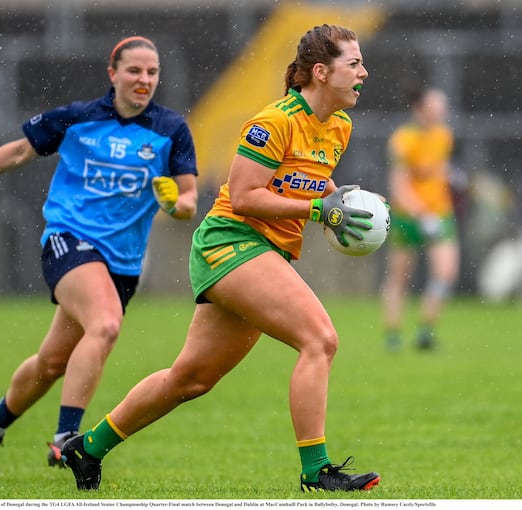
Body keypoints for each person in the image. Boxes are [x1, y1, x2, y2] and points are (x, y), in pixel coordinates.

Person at [60, 24, 381, 493]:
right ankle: (317, 470)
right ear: (320, 71)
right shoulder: (273, 122)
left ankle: (86, 448)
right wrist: (319, 210)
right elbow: (246, 197)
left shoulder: (339, 126)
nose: (363, 73)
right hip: (230, 241)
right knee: (320, 340)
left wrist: (340, 201)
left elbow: (306, 179)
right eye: (353, 64)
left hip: (264, 253)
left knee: (190, 379)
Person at [0, 36, 199, 480]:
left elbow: (189, 202)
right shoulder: (77, 118)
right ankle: (67, 439)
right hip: (69, 239)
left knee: (51, 364)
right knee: (104, 326)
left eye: (152, 72)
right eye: (135, 71)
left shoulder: (170, 128)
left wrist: (171, 200)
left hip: (121, 265)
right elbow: (20, 149)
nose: (144, 80)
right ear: (113, 73)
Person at [380, 86, 459, 351]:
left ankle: (426, 330)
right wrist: (421, 214)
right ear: (421, 108)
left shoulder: (444, 136)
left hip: (440, 213)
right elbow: (399, 186)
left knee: (446, 272)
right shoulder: (403, 140)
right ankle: (392, 334)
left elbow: (439, 170)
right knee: (400, 276)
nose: (442, 111)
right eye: (437, 106)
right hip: (409, 217)